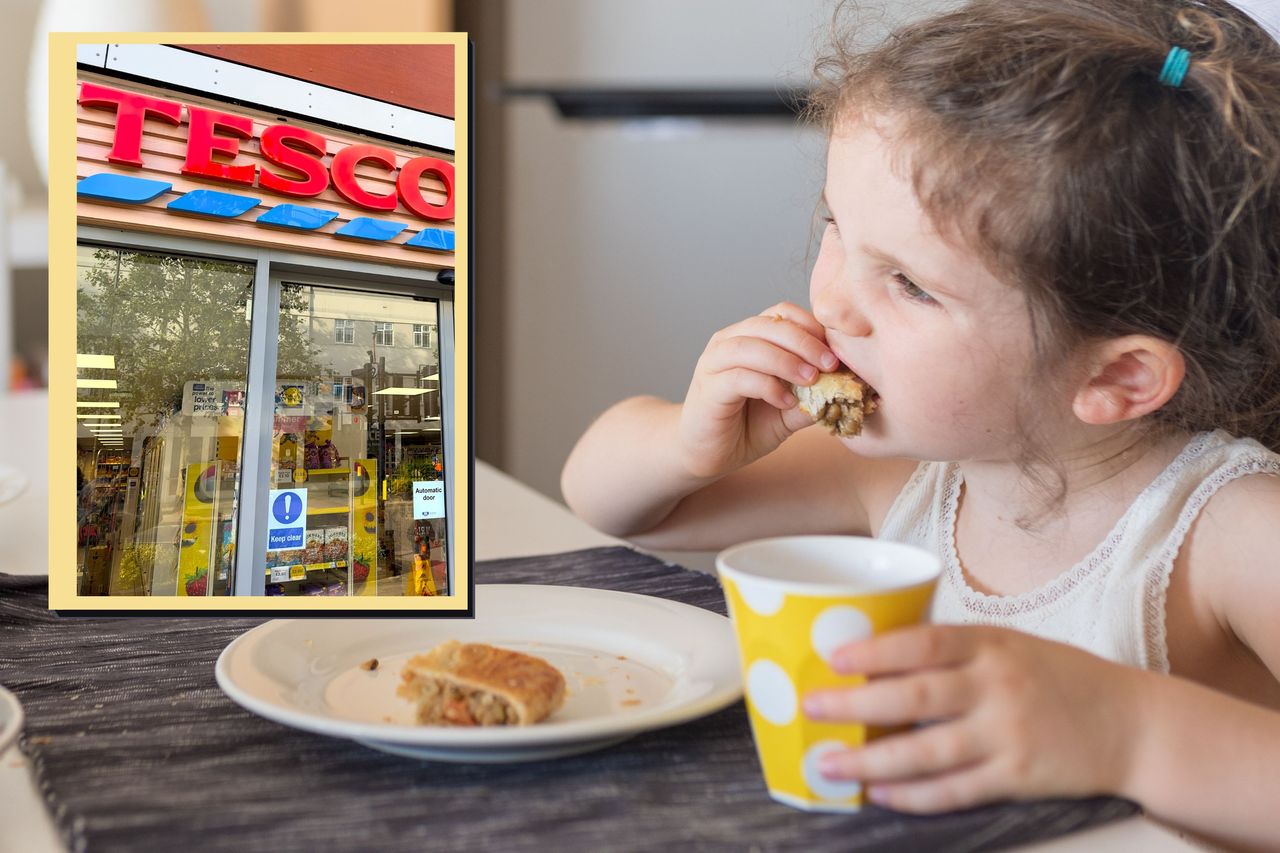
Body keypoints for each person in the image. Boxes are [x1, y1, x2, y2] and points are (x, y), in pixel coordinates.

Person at [560, 1, 1280, 849]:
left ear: (1115, 376)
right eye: (837, 226)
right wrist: (687, 443)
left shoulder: (1226, 531)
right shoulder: (904, 474)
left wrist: (1130, 729)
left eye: (908, 283)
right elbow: (608, 502)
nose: (830, 300)